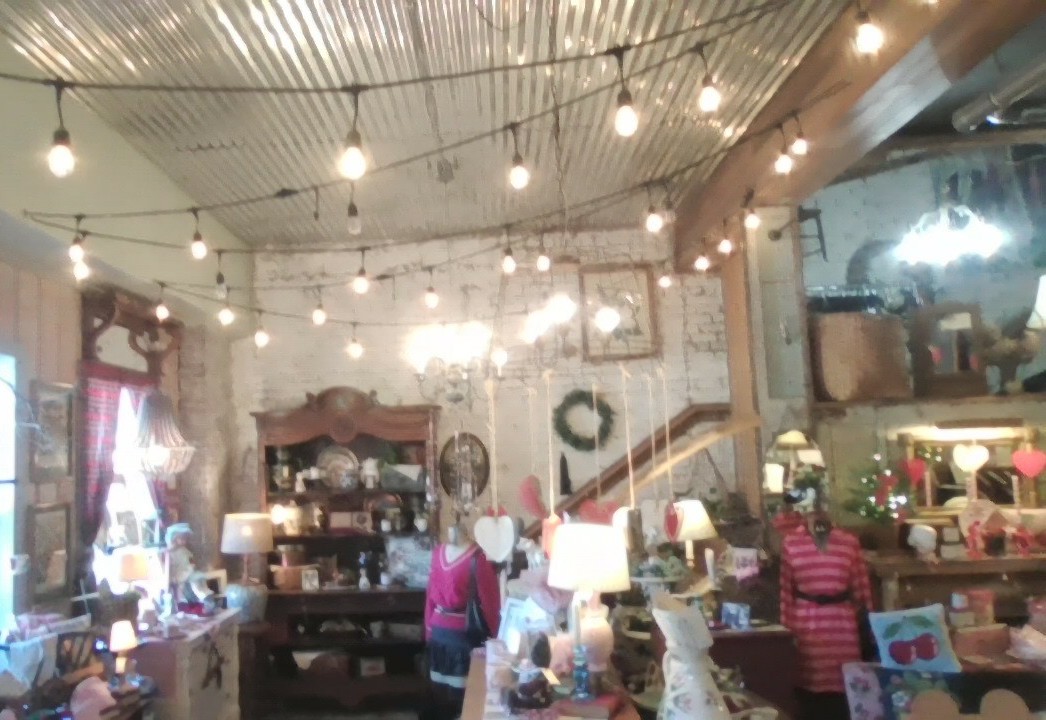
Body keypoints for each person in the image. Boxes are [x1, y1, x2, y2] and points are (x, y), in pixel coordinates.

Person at [424, 524, 500, 719]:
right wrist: (497, 635)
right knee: (465, 697)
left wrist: (428, 629)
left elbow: (430, 597)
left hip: (438, 631)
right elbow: (490, 602)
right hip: (463, 634)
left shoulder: (438, 553)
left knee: (442, 694)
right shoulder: (478, 558)